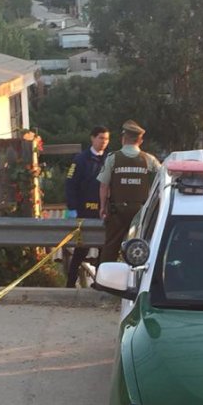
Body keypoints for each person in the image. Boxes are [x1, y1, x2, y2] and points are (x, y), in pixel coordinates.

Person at [98, 120, 160, 264]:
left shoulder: (113, 158)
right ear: (140, 140)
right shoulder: (149, 159)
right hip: (141, 212)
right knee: (140, 247)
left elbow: (103, 186)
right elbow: (163, 178)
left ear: (123, 138)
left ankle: (105, 281)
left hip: (117, 211)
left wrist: (102, 207)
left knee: (111, 248)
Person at [63, 126, 110, 287]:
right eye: (100, 138)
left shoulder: (109, 160)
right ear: (92, 138)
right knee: (81, 250)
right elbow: (70, 184)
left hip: (102, 211)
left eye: (106, 139)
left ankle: (101, 283)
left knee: (104, 251)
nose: (103, 142)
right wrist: (72, 208)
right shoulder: (81, 160)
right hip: (84, 212)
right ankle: (70, 283)